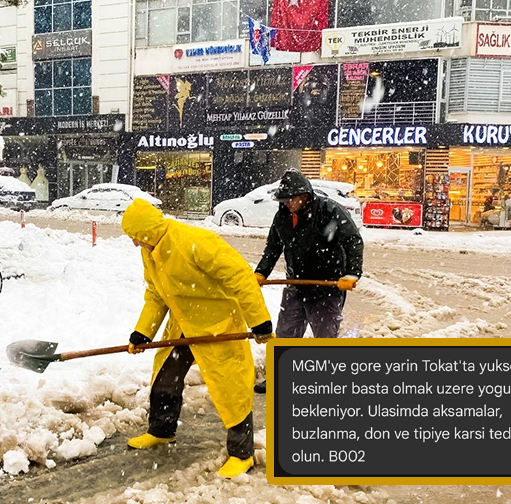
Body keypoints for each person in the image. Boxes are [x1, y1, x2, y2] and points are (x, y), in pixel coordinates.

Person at [121, 198, 274, 479]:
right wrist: (144, 331)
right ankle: (161, 431)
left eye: (136, 237)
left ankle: (242, 455)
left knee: (232, 388)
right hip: (182, 325)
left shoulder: (195, 241)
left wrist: (259, 320)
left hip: (218, 325)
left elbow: (240, 277)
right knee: (165, 378)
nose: (134, 244)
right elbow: (156, 294)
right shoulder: (150, 249)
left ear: (148, 231)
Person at [253, 169, 364, 394]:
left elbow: (353, 240)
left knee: (324, 338)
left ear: (304, 195)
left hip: (326, 286)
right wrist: (261, 272)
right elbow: (274, 247)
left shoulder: (328, 210)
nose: (287, 204)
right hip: (296, 284)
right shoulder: (283, 215)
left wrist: (352, 273)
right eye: (284, 200)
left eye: (291, 199)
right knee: (286, 334)